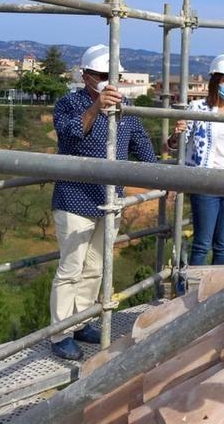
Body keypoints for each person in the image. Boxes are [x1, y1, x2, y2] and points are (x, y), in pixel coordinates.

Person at [50, 44, 157, 360]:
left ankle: (81, 321)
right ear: (85, 76)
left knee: (95, 266)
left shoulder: (127, 111)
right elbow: (70, 135)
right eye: (101, 76)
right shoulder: (69, 103)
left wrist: (164, 177)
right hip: (74, 198)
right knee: (71, 267)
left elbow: (143, 149)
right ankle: (60, 333)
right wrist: (96, 107)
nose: (109, 82)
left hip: (109, 201)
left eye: (114, 76)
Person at [168, 53, 224, 267]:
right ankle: (195, 293)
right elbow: (176, 145)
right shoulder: (198, 108)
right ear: (215, 82)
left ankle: (218, 292)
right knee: (202, 243)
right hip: (205, 182)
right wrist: (177, 134)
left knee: (223, 243)